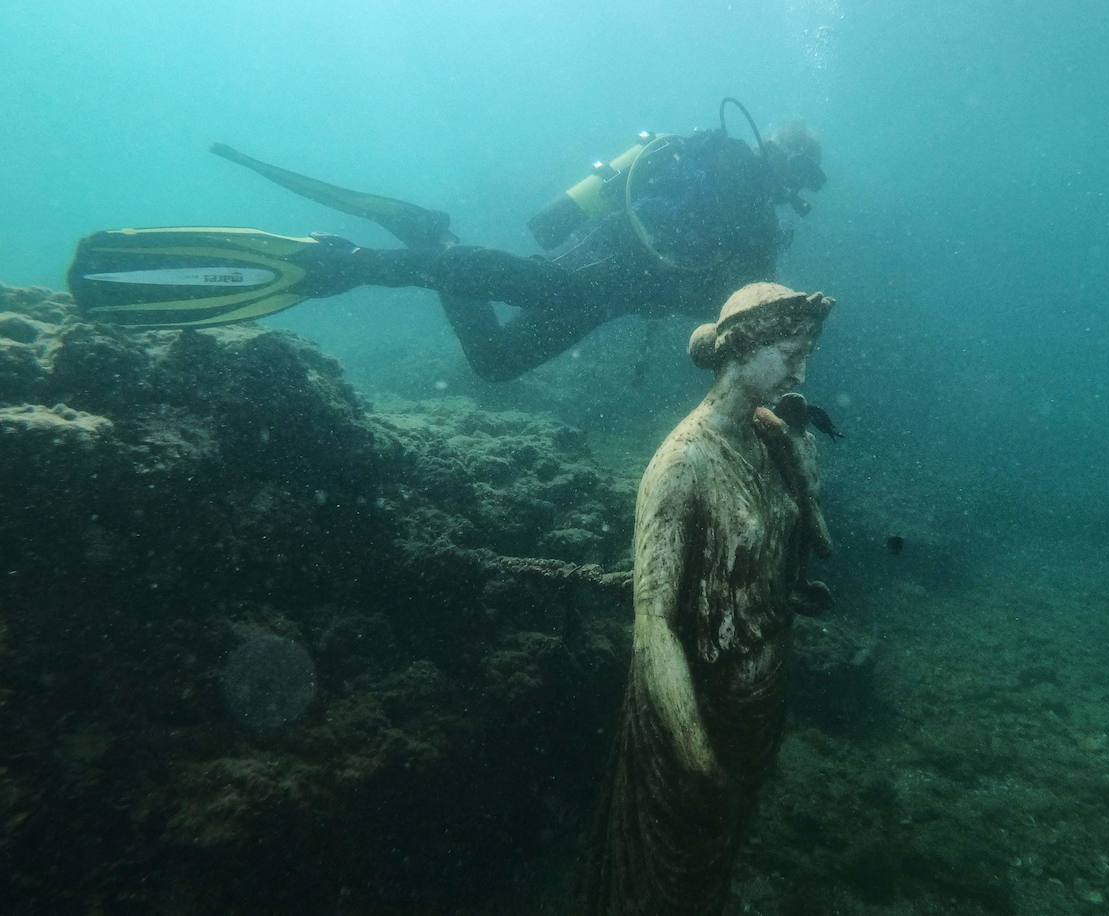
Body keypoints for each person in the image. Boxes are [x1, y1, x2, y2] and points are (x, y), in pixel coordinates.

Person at [68, 100, 827, 382]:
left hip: (610, 290)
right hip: (604, 272)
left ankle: (418, 234)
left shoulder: (737, 186)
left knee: (493, 365)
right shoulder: (743, 190)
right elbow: (723, 284)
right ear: (787, 163)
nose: (800, 186)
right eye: (804, 172)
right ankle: (356, 264)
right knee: (536, 284)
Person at [582, 282, 836, 915]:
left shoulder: (771, 433)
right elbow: (653, 626)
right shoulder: (682, 465)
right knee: (672, 871)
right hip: (701, 703)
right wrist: (695, 754)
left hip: (758, 700)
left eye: (808, 353)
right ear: (739, 349)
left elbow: (815, 542)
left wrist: (803, 465)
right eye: (790, 352)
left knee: (716, 863)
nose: (802, 371)